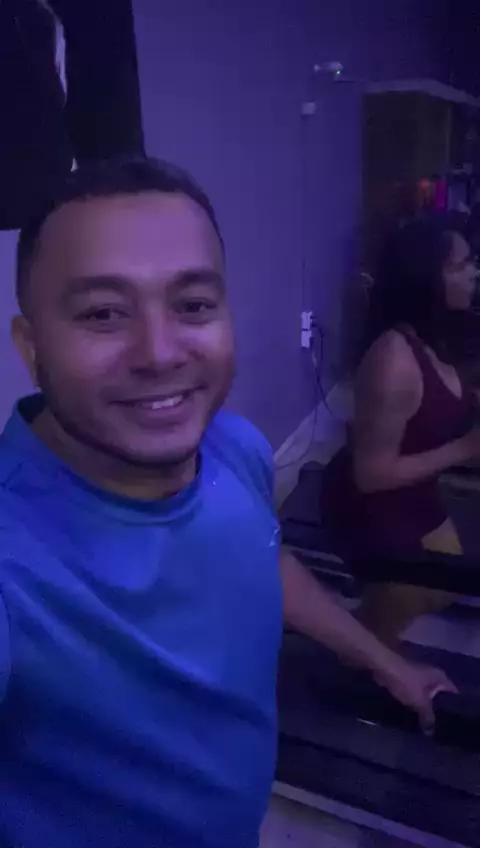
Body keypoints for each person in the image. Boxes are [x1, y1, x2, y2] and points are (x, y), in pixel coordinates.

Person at [0, 158, 455, 848]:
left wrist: (384, 660)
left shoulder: (234, 446)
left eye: (192, 305)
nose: (159, 354)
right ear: (31, 349)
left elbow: (261, 557)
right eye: (103, 314)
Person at [323, 216, 479, 648]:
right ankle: (347, 649)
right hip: (373, 507)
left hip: (417, 495)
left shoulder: (434, 334)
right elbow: (370, 474)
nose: (474, 272)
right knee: (404, 605)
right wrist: (465, 449)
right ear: (426, 279)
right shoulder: (393, 360)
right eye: (461, 265)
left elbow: (437, 396)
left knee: (442, 583)